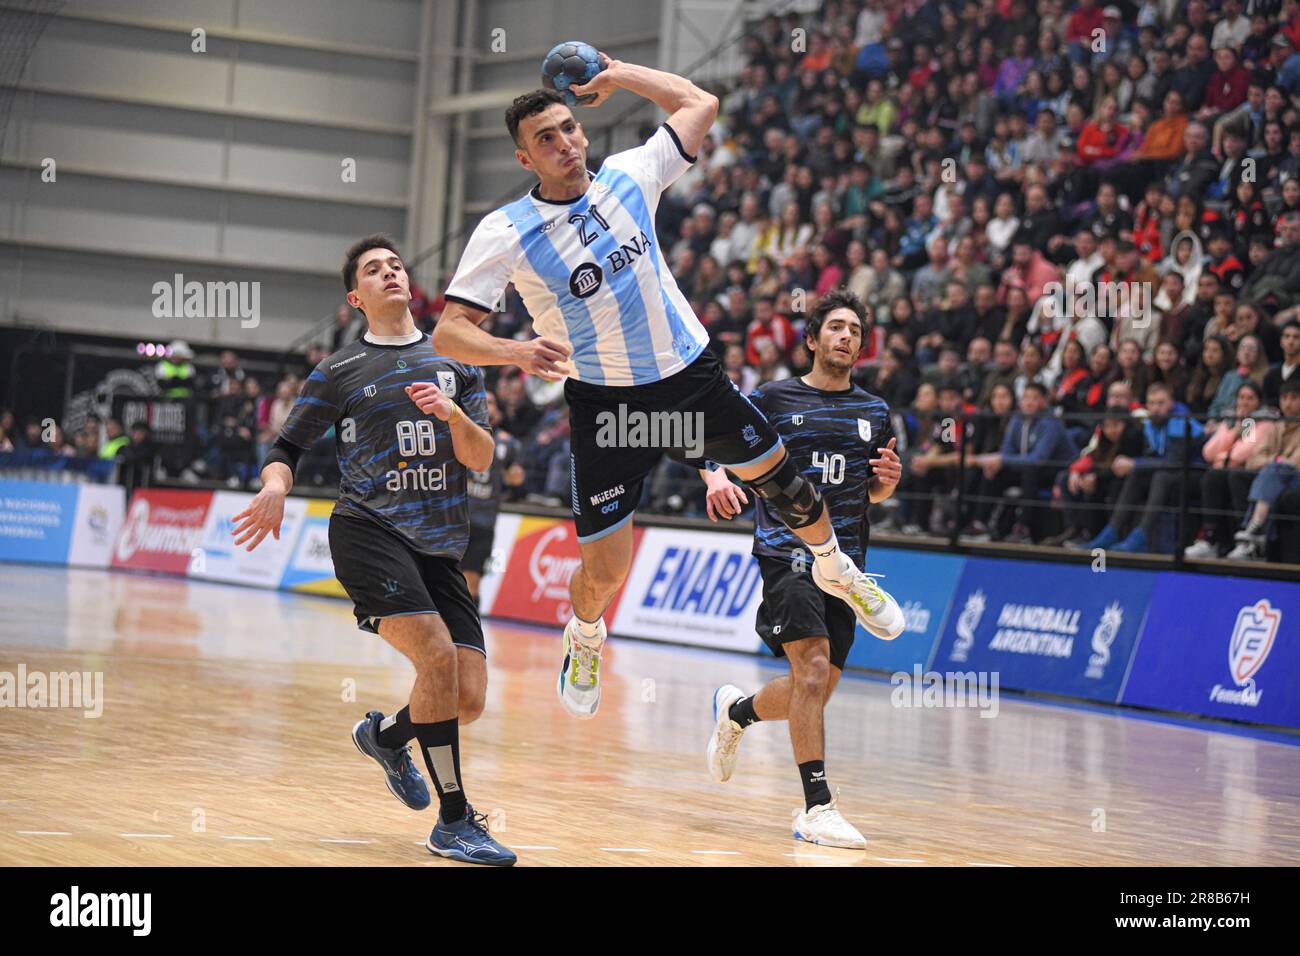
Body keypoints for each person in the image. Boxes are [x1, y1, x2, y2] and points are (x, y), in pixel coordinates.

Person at [433, 62, 902, 721]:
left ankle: (835, 568)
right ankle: (587, 634)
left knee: (789, 485)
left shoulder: (630, 175)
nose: (565, 142)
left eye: (570, 128)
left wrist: (616, 73)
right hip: (608, 411)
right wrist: (516, 350)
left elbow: (701, 102)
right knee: (605, 572)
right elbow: (449, 334)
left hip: (692, 382)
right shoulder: (506, 229)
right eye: (546, 138)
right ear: (524, 155)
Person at [230, 235, 514, 866]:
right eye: (372, 271)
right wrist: (275, 487)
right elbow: (286, 449)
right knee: (436, 657)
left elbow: (482, 457)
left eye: (395, 265)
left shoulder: (455, 359)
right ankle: (455, 820)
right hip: (367, 531)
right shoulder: (338, 371)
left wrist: (452, 416)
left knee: (466, 698)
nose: (389, 273)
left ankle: (386, 737)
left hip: (440, 545)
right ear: (356, 298)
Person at [699, 289, 902, 849]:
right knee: (811, 674)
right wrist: (716, 476)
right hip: (786, 552)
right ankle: (817, 806)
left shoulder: (875, 412)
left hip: (850, 565)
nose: (846, 337)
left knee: (817, 687)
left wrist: (888, 482)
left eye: (856, 330)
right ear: (812, 340)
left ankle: (737, 712)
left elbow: (875, 493)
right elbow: (715, 441)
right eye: (836, 327)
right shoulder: (772, 397)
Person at [462, 393, 524, 605]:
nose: (487, 407)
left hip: (483, 522)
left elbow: (514, 477)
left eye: (491, 403)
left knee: (472, 581)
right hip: (456, 520)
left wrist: (515, 476)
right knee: (449, 580)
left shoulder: (508, 443)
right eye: (483, 402)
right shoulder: (458, 435)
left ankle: (468, 633)